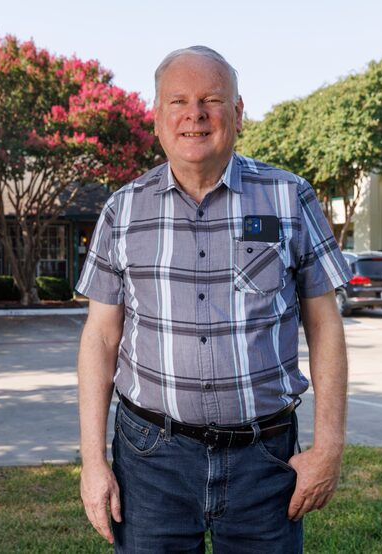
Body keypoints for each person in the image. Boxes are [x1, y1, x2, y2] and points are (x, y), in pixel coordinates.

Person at [75, 45, 352, 553]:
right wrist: (93, 461)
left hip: (264, 462)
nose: (194, 115)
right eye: (177, 101)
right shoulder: (122, 210)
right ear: (157, 116)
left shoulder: (289, 198)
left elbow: (325, 324)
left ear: (239, 113)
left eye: (211, 99)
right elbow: (100, 337)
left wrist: (328, 445)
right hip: (150, 459)